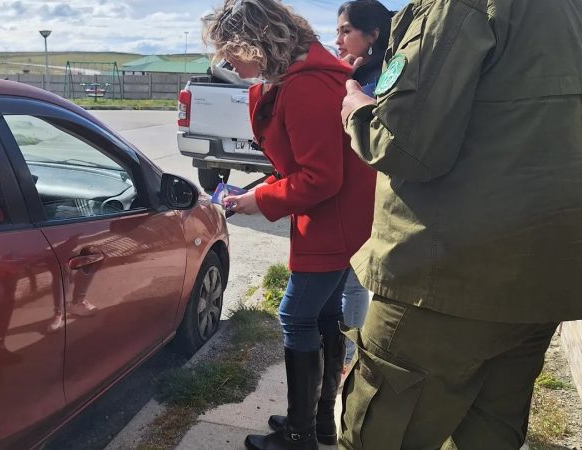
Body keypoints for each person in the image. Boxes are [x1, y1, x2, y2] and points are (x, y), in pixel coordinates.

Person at [339, 0, 582, 448]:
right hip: (543, 281)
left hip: (443, 284)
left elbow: (406, 148)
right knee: (490, 435)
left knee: (376, 438)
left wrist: (357, 108)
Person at [204, 1, 376, 448]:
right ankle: (318, 422)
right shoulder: (310, 76)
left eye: (229, 52)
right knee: (323, 315)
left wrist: (256, 198)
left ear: (253, 42)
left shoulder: (306, 85)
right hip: (343, 221)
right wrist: (265, 189)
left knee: (295, 317)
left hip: (331, 223)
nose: (228, 63)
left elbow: (321, 177)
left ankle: (300, 436)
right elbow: (308, 162)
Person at [334, 0, 394, 372]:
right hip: (354, 188)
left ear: (372, 35)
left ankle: (348, 357)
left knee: (354, 280)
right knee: (350, 278)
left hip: (368, 190)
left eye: (345, 30)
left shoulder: (382, 75)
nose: (337, 38)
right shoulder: (361, 69)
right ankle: (346, 355)